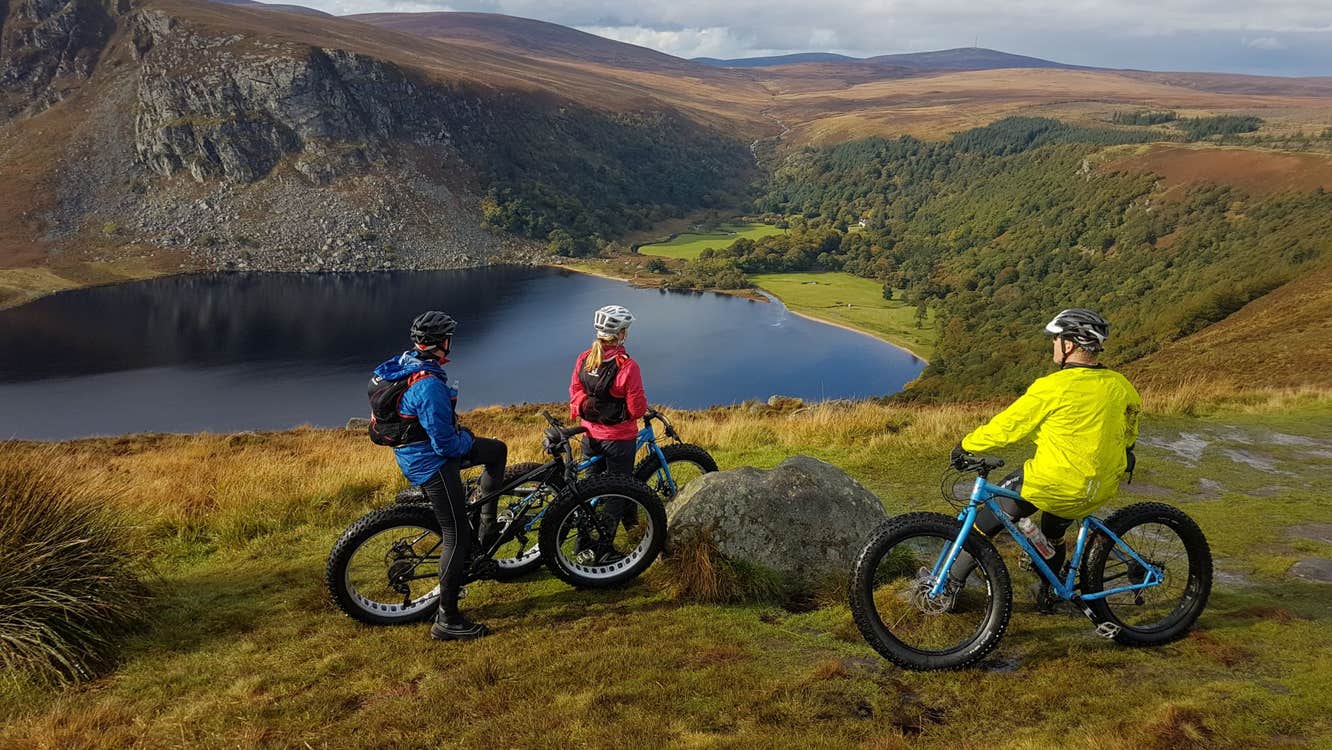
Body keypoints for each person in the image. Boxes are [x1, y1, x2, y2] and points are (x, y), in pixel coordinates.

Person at [949, 308, 1141, 613]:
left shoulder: (1052, 387)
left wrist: (965, 445)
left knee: (986, 521)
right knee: (1053, 530)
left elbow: (1008, 426)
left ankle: (947, 590)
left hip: (1051, 482)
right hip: (1097, 487)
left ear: (1070, 344)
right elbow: (1129, 433)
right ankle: (1050, 589)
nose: (1053, 344)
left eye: (1057, 339)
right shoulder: (1122, 385)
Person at [370, 311, 507, 641]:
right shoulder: (428, 385)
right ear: (443, 343)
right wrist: (466, 438)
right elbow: (446, 445)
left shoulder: (403, 364)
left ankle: (486, 532)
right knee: (455, 534)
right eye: (449, 338)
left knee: (497, 451)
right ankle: (448, 618)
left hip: (414, 452)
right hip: (430, 462)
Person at [568, 305, 648, 559]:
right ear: (621, 334)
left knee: (588, 492)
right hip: (618, 440)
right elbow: (636, 409)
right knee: (616, 494)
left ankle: (582, 545)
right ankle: (603, 551)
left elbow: (575, 392)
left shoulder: (584, 358)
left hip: (589, 436)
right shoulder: (627, 366)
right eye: (625, 330)